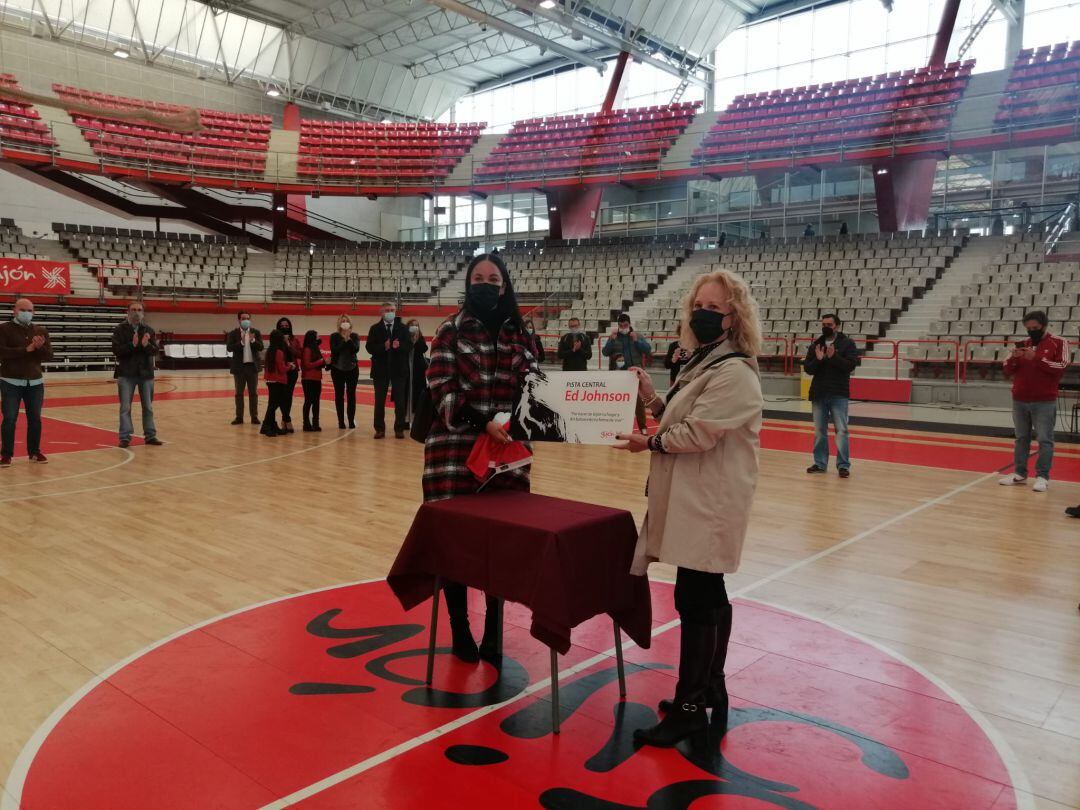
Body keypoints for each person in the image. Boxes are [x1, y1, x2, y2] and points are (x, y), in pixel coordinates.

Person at [613, 269, 764, 746]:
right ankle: (709, 688)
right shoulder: (705, 363)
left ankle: (689, 707)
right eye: (698, 304)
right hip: (696, 497)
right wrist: (650, 396)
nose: (702, 313)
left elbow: (697, 433)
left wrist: (648, 442)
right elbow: (680, 416)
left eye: (714, 308)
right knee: (705, 594)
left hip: (710, 501)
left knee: (697, 598)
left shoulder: (735, 370)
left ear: (732, 316)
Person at [424, 252, 537, 663]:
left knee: (500, 546)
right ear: (468, 284)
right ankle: (459, 627)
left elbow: (535, 388)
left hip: (507, 453)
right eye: (478, 277)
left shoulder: (523, 334)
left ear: (504, 285)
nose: (485, 284)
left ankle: (493, 629)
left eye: (493, 278)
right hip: (454, 453)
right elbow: (441, 388)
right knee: (456, 546)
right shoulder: (449, 331)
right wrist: (481, 421)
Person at [1000, 311, 1068, 492]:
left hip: (1044, 400)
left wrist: (1036, 358)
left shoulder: (1059, 342)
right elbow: (1007, 370)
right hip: (1020, 399)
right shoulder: (1023, 344)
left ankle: (1042, 476)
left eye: (1035, 328)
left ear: (1044, 325)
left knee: (1045, 440)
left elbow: (1061, 367)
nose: (1031, 332)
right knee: (1021, 438)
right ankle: (1020, 473)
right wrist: (1014, 359)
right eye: (1028, 329)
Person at [803, 314, 859, 478]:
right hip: (819, 393)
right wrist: (819, 360)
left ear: (837, 326)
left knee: (841, 430)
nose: (826, 326)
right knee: (820, 431)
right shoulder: (816, 345)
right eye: (824, 324)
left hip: (838, 393)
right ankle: (820, 464)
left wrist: (834, 356)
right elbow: (808, 369)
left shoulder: (847, 343)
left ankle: (843, 465)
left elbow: (849, 366)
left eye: (830, 324)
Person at [0, 298, 53, 466]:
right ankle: (6, 455)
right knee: (9, 419)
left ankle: (34, 452)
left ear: (34, 312)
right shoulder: (3, 329)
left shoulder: (40, 330)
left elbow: (49, 356)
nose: (26, 313)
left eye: (30, 310)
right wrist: (26, 349)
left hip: (35, 382)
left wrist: (40, 348)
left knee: (35, 419)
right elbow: (2, 353)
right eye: (23, 309)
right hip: (10, 381)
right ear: (14, 310)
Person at [111, 301, 163, 448]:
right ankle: (125, 437)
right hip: (126, 374)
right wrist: (132, 345)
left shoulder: (149, 330)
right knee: (125, 407)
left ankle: (150, 435)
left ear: (143, 313)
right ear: (127, 312)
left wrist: (146, 345)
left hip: (145, 374)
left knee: (148, 406)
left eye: (139, 310)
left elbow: (155, 352)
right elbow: (116, 351)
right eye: (133, 309)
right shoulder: (119, 330)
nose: (136, 312)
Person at [366, 302, 412, 439]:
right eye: (387, 310)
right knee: (379, 401)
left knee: (400, 401)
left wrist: (400, 346)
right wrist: (383, 347)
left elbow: (409, 346)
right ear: (381, 312)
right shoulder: (374, 328)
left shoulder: (403, 328)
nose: (390, 312)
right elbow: (369, 347)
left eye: (392, 310)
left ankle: (399, 429)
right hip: (380, 371)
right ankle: (379, 429)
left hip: (399, 370)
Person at [604, 315, 651, 433]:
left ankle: (643, 428)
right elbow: (605, 352)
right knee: (620, 401)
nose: (623, 328)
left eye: (625, 325)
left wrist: (637, 341)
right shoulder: (614, 336)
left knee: (638, 402)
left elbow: (648, 350)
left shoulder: (637, 335)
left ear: (629, 324)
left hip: (635, 373)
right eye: (620, 326)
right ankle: (619, 427)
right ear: (618, 325)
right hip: (619, 375)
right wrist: (612, 340)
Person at [226, 312, 262, 425]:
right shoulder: (233, 333)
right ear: (239, 320)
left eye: (247, 318)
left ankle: (254, 417)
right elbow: (229, 348)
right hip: (239, 368)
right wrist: (241, 342)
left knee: (253, 393)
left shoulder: (256, 332)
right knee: (239, 393)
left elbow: (260, 347)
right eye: (243, 318)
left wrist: (252, 340)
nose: (245, 320)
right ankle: (239, 417)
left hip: (252, 367)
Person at [260, 330, 295, 437]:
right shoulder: (279, 352)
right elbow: (282, 369)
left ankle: (271, 425)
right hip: (278, 381)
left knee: (272, 404)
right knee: (274, 405)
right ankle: (266, 426)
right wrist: (290, 366)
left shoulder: (269, 351)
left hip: (270, 380)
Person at [329, 314, 360, 430]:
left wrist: (349, 339)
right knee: (339, 395)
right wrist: (344, 340)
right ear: (339, 324)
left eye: (347, 321)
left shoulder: (355, 336)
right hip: (337, 369)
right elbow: (334, 350)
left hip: (352, 369)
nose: (345, 322)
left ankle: (351, 421)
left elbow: (355, 349)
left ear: (350, 323)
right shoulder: (334, 336)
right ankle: (341, 421)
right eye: (343, 321)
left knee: (351, 395)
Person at [275, 317, 302, 434]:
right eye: (282, 325)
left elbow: (299, 354)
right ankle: (287, 419)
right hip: (281, 370)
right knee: (282, 396)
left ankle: (284, 419)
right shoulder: (276, 339)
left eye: (286, 325)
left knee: (289, 396)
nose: (285, 327)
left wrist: (288, 344)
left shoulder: (295, 339)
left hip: (293, 371)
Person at [300, 329, 326, 432]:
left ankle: (315, 423)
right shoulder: (307, 349)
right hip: (308, 378)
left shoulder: (315, 348)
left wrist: (324, 362)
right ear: (313, 338)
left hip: (317, 378)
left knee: (316, 402)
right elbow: (307, 365)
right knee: (308, 401)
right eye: (317, 336)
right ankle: (306, 424)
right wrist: (320, 362)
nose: (319, 338)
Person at [405, 318, 429, 425]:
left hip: (418, 372)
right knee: (406, 395)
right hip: (407, 370)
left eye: (416, 325)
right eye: (412, 325)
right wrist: (410, 340)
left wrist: (417, 339)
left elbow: (424, 348)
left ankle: (416, 420)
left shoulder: (421, 338)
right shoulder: (404, 337)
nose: (415, 327)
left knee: (418, 395)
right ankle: (405, 419)